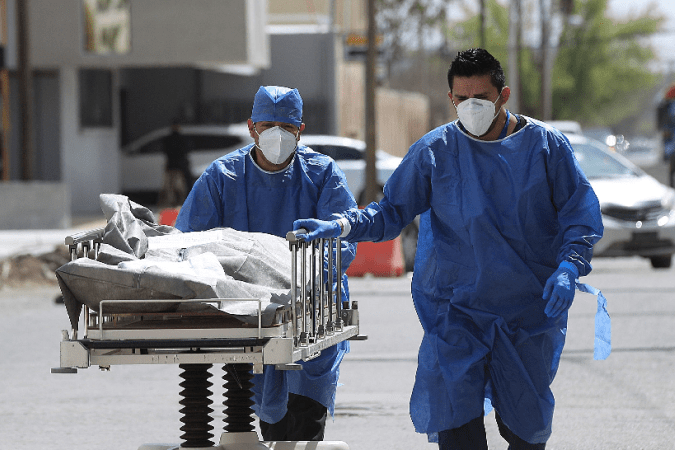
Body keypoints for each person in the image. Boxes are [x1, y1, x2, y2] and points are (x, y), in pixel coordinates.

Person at [294, 48, 604, 449]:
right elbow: (390, 211)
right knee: (456, 425)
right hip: (457, 313)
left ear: (504, 95)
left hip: (527, 312)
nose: (471, 107)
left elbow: (578, 213)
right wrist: (341, 225)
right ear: (450, 98)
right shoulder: (434, 151)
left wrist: (569, 267)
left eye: (481, 98)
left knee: (526, 429)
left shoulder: (545, 147)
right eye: (462, 98)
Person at [174, 85, 358, 441]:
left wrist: (301, 281)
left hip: (311, 314)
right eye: (267, 125)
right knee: (262, 413)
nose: (277, 134)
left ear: (300, 130)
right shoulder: (222, 177)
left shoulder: (322, 174)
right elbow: (188, 241)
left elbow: (341, 240)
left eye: (286, 127)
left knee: (304, 421)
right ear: (251, 127)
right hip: (245, 315)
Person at [158, 119, 193, 206]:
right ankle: (180, 201)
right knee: (179, 186)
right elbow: (186, 150)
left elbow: (165, 151)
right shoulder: (182, 139)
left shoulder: (168, 139)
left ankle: (173, 201)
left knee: (172, 186)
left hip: (173, 165)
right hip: (180, 165)